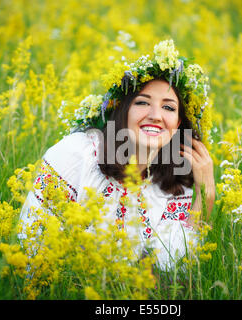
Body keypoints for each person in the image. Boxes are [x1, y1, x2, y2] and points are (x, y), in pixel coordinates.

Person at [19, 39, 215, 270]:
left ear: (178, 123)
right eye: (142, 102)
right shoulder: (77, 154)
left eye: (168, 107)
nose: (155, 115)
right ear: (123, 111)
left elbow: (171, 270)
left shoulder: (175, 181)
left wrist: (206, 194)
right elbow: (32, 245)